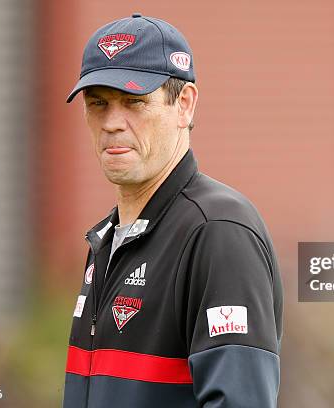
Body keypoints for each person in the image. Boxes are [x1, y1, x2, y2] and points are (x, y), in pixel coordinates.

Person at [62, 13, 283, 408]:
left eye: (134, 102)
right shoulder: (108, 240)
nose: (112, 123)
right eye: (98, 103)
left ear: (184, 104)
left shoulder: (218, 231)